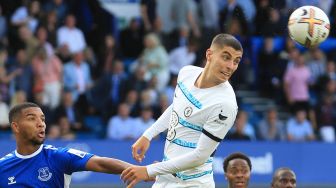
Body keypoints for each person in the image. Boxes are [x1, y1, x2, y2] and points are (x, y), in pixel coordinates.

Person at [121, 33, 243, 187]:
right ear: (209, 54)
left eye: (236, 61)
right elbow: (178, 106)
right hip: (165, 178)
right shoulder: (186, 73)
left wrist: (149, 170)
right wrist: (149, 134)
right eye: (226, 57)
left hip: (194, 183)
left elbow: (200, 156)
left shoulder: (226, 105)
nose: (231, 66)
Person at [0, 102, 132, 187]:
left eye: (43, 119)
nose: (41, 123)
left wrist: (142, 170)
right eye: (31, 118)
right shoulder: (2, 167)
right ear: (16, 127)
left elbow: (100, 163)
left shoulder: (57, 157)